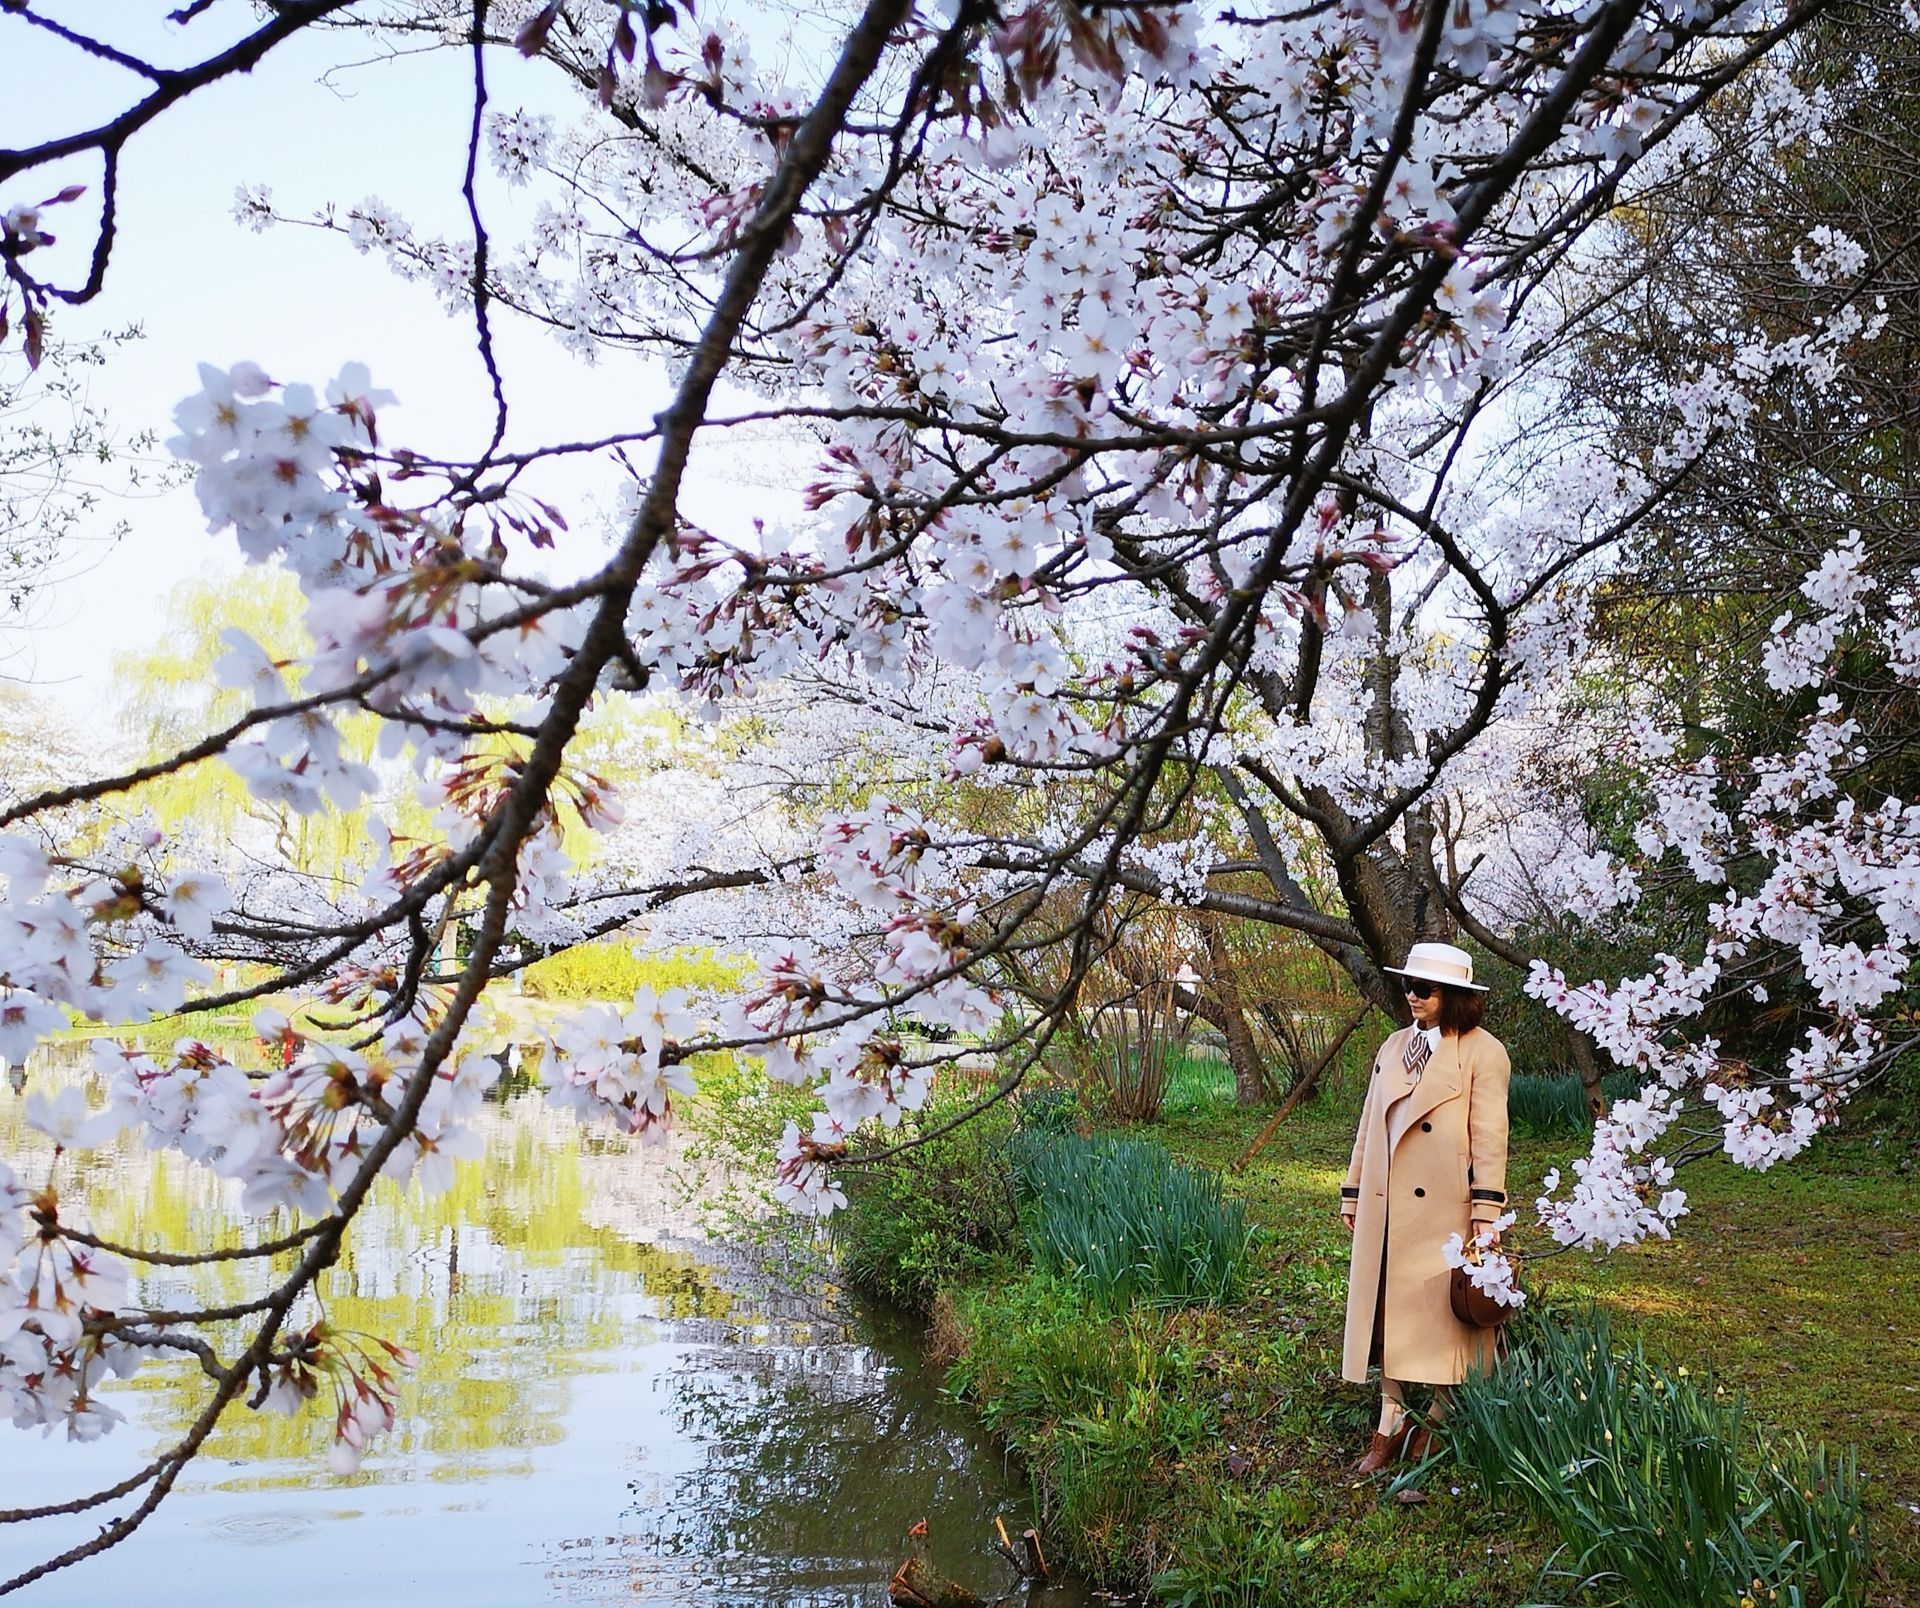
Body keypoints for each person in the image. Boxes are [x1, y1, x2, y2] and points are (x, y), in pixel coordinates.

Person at [1339, 941, 1511, 1474]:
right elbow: (1372, 1122)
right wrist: (1354, 1188)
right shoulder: (1393, 1047)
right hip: (1385, 1201)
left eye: (1425, 989)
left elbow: (1490, 1136)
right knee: (1386, 1303)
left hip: (1446, 1209)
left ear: (1455, 996)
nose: (1412, 997)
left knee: (1441, 1311)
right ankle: (1391, 1413)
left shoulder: (1483, 1052)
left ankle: (1440, 1408)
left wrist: (1486, 1211)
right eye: (1408, 986)